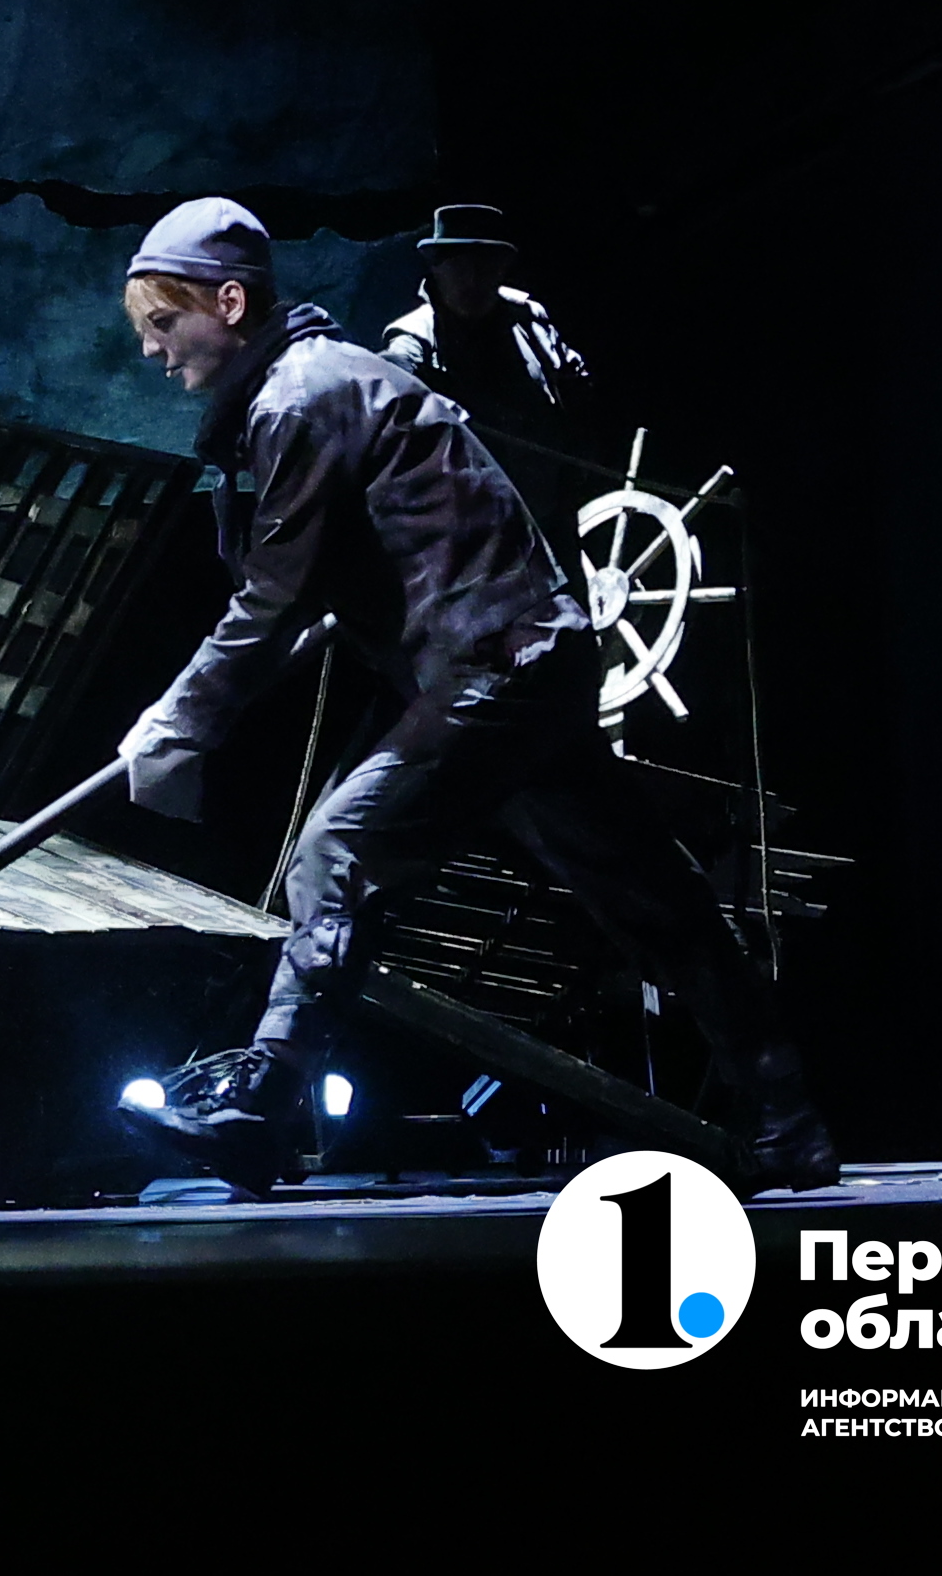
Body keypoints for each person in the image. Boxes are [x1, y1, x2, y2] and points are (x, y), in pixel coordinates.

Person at [106, 197, 837, 1192]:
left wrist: (178, 721)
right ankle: (789, 1118)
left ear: (229, 303)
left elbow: (272, 597)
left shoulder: (300, 398)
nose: (153, 350)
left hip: (495, 666)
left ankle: (262, 1106)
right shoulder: (319, 385)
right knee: (645, 891)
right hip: (520, 661)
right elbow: (318, 578)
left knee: (340, 847)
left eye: (163, 323)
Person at [381, 202, 601, 552]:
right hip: (466, 531)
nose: (472, 279)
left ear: (502, 268)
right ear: (437, 268)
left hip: (549, 515)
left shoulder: (530, 322)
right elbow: (388, 410)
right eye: (459, 266)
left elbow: (575, 385)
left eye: (484, 266)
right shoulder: (412, 341)